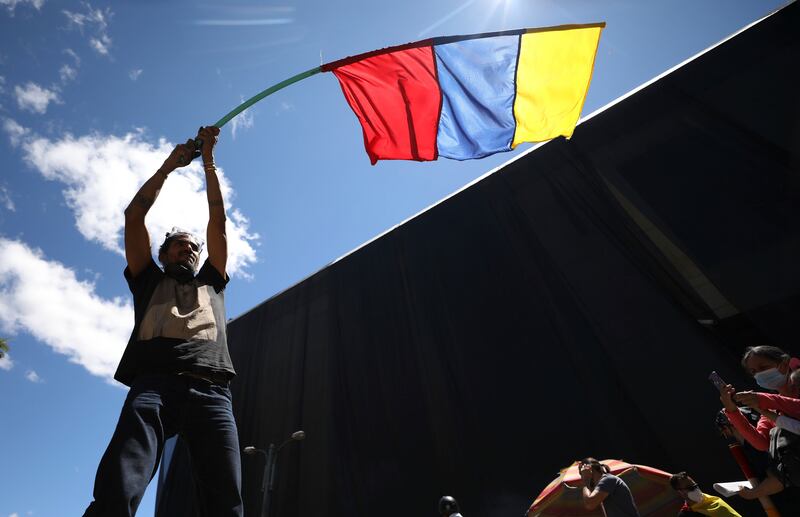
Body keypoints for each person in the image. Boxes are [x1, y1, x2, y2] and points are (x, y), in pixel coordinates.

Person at [83, 126, 243, 516]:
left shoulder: (213, 280)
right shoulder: (148, 279)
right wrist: (171, 165)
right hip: (154, 384)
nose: (187, 249)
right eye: (179, 244)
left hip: (213, 392)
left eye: (193, 246)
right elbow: (133, 214)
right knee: (120, 481)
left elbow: (218, 221)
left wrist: (208, 163)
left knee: (226, 498)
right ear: (164, 251)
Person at [718, 345, 799, 501]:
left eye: (764, 367)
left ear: (784, 363)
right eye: (754, 372)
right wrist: (732, 410)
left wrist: (762, 400)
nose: (760, 374)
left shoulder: (772, 399)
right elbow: (761, 443)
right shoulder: (770, 407)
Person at [669, 472, 742, 517]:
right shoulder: (686, 515)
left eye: (695, 486)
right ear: (680, 492)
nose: (695, 490)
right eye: (690, 488)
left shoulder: (711, 499)